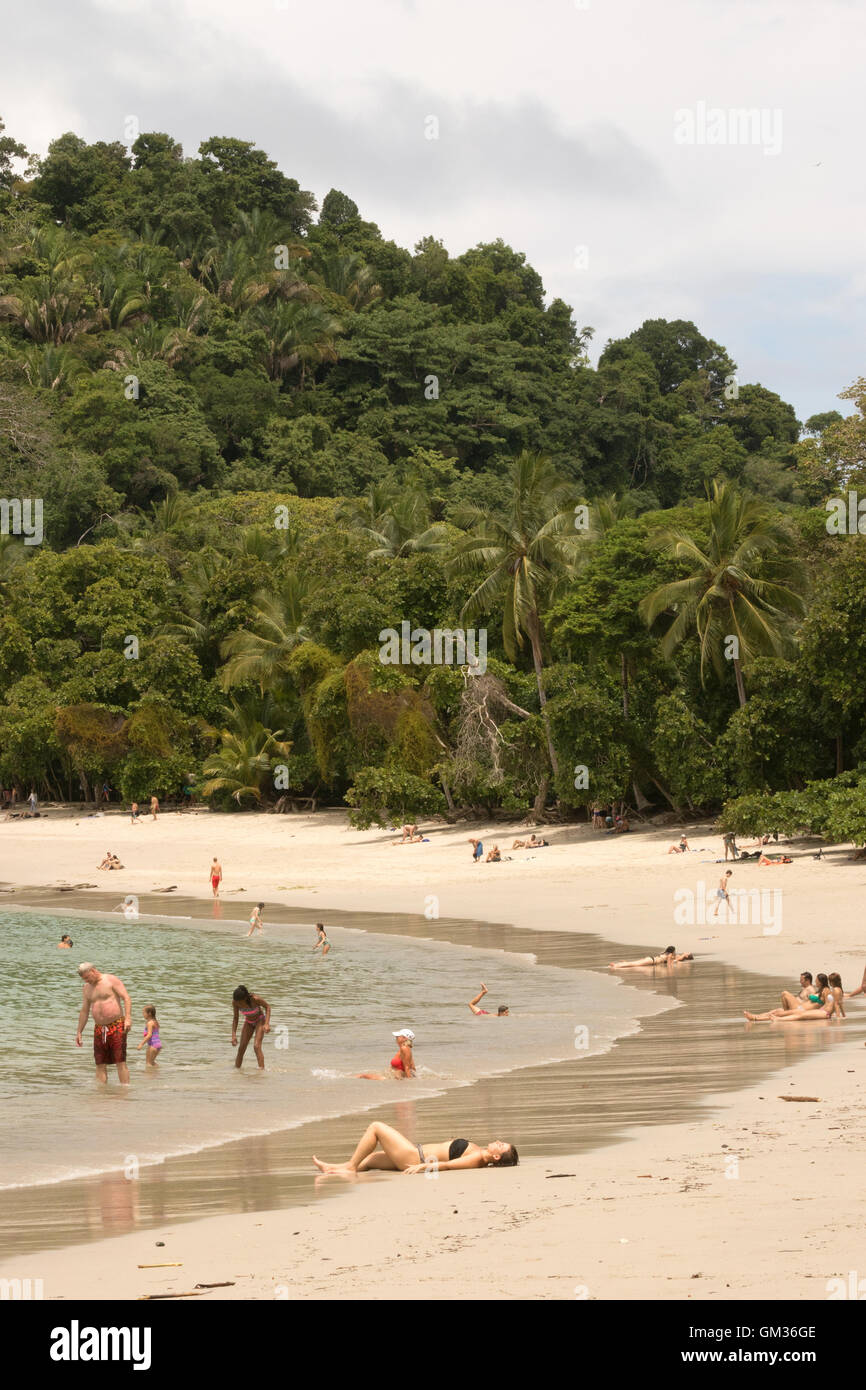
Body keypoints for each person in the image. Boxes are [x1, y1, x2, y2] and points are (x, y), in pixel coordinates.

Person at [313, 1121, 518, 1174]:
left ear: (496, 1157)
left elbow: (448, 1166)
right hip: (412, 1155)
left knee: (376, 1127)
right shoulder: (479, 1153)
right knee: (368, 1161)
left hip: (413, 1157)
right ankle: (333, 1169)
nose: (498, 1141)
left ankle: (349, 1166)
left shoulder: (477, 1158)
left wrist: (422, 1167)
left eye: (500, 1146)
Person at [75, 963, 132, 1085]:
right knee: (100, 1063)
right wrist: (79, 1031)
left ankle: (125, 1091)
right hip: (99, 1029)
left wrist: (128, 1018)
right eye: (84, 979)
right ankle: (101, 1093)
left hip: (116, 1025)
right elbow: (84, 1011)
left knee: (120, 1061)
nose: (86, 981)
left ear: (93, 971)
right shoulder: (86, 988)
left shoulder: (111, 980)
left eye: (87, 977)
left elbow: (126, 998)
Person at [744, 973, 831, 1021]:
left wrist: (823, 1013)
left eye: (817, 980)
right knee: (777, 1012)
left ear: (821, 982)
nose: (815, 982)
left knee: (779, 1013)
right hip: (800, 1008)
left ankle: (755, 1019)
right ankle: (756, 1016)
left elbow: (827, 1003)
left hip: (802, 1010)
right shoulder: (820, 990)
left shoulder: (825, 990)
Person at [231, 986, 270, 1069]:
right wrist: (233, 1035)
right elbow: (235, 1018)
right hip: (248, 1022)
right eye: (237, 1002)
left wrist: (266, 1024)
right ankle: (236, 1071)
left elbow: (267, 1007)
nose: (239, 1004)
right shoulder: (235, 1002)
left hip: (259, 1020)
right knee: (241, 1048)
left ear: (245, 998)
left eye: (240, 1002)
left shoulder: (255, 999)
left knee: (256, 1046)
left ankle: (261, 1071)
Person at [609, 947, 693, 968]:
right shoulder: (671, 955)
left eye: (687, 953)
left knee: (634, 963)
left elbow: (670, 961)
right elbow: (669, 963)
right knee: (635, 964)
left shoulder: (669, 954)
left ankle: (618, 964)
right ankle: (617, 966)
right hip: (651, 960)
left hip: (651, 959)